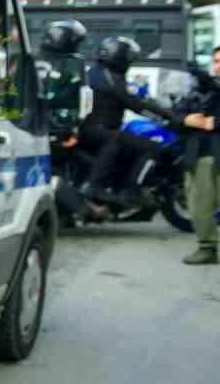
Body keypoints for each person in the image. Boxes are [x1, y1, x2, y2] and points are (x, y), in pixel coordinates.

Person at [79, 37, 174, 208]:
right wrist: (171, 116)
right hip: (98, 131)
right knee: (153, 148)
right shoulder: (112, 80)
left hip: (89, 129)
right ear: (120, 58)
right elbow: (138, 104)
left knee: (123, 138)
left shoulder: (95, 72)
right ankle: (130, 190)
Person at [174, 45, 220, 265]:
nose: (218, 66)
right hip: (200, 154)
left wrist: (215, 122)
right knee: (200, 205)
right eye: (217, 61)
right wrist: (186, 120)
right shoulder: (203, 89)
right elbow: (178, 114)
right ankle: (207, 246)